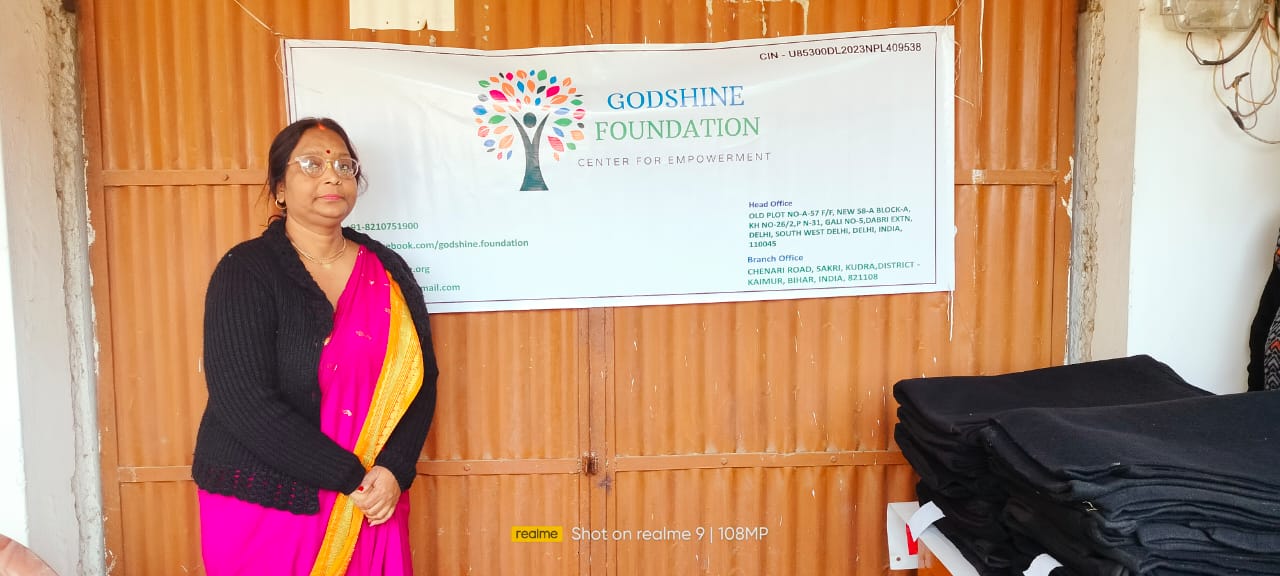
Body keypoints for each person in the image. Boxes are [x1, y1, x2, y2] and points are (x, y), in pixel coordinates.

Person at [192, 117, 439, 575]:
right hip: (269, 503)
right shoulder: (246, 270)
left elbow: (420, 379)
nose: (332, 176)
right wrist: (351, 479)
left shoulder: (387, 270)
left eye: (345, 166)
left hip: (372, 498)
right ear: (279, 189)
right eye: (311, 164)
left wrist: (394, 469)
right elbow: (242, 400)